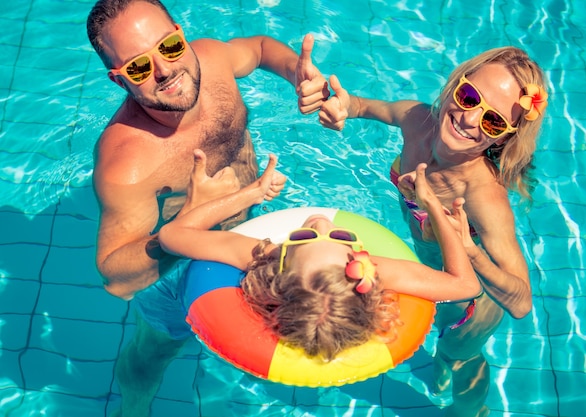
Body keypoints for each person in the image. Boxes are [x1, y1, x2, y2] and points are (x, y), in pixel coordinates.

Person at [86, 0, 328, 415]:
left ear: (181, 34)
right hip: (176, 267)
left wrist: (296, 73)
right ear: (119, 80)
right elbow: (115, 278)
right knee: (154, 355)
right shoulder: (127, 164)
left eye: (169, 46)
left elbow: (260, 46)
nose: (164, 70)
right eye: (139, 67)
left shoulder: (211, 60)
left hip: (250, 225)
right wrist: (187, 222)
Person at [316, 46, 548, 416]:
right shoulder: (418, 120)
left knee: (458, 359)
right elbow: (361, 105)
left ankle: (470, 412)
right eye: (469, 97)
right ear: (457, 84)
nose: (469, 119)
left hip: (469, 305)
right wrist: (342, 107)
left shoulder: (482, 196)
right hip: (429, 276)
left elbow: (521, 303)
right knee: (434, 356)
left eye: (491, 122)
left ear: (502, 138)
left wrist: (469, 251)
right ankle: (437, 375)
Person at [159, 150, 482, 362]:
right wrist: (434, 211)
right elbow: (465, 285)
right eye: (341, 237)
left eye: (304, 236)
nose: (322, 223)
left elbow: (171, 236)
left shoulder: (265, 256)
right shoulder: (372, 271)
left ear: (281, 262)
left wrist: (252, 194)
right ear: (359, 258)